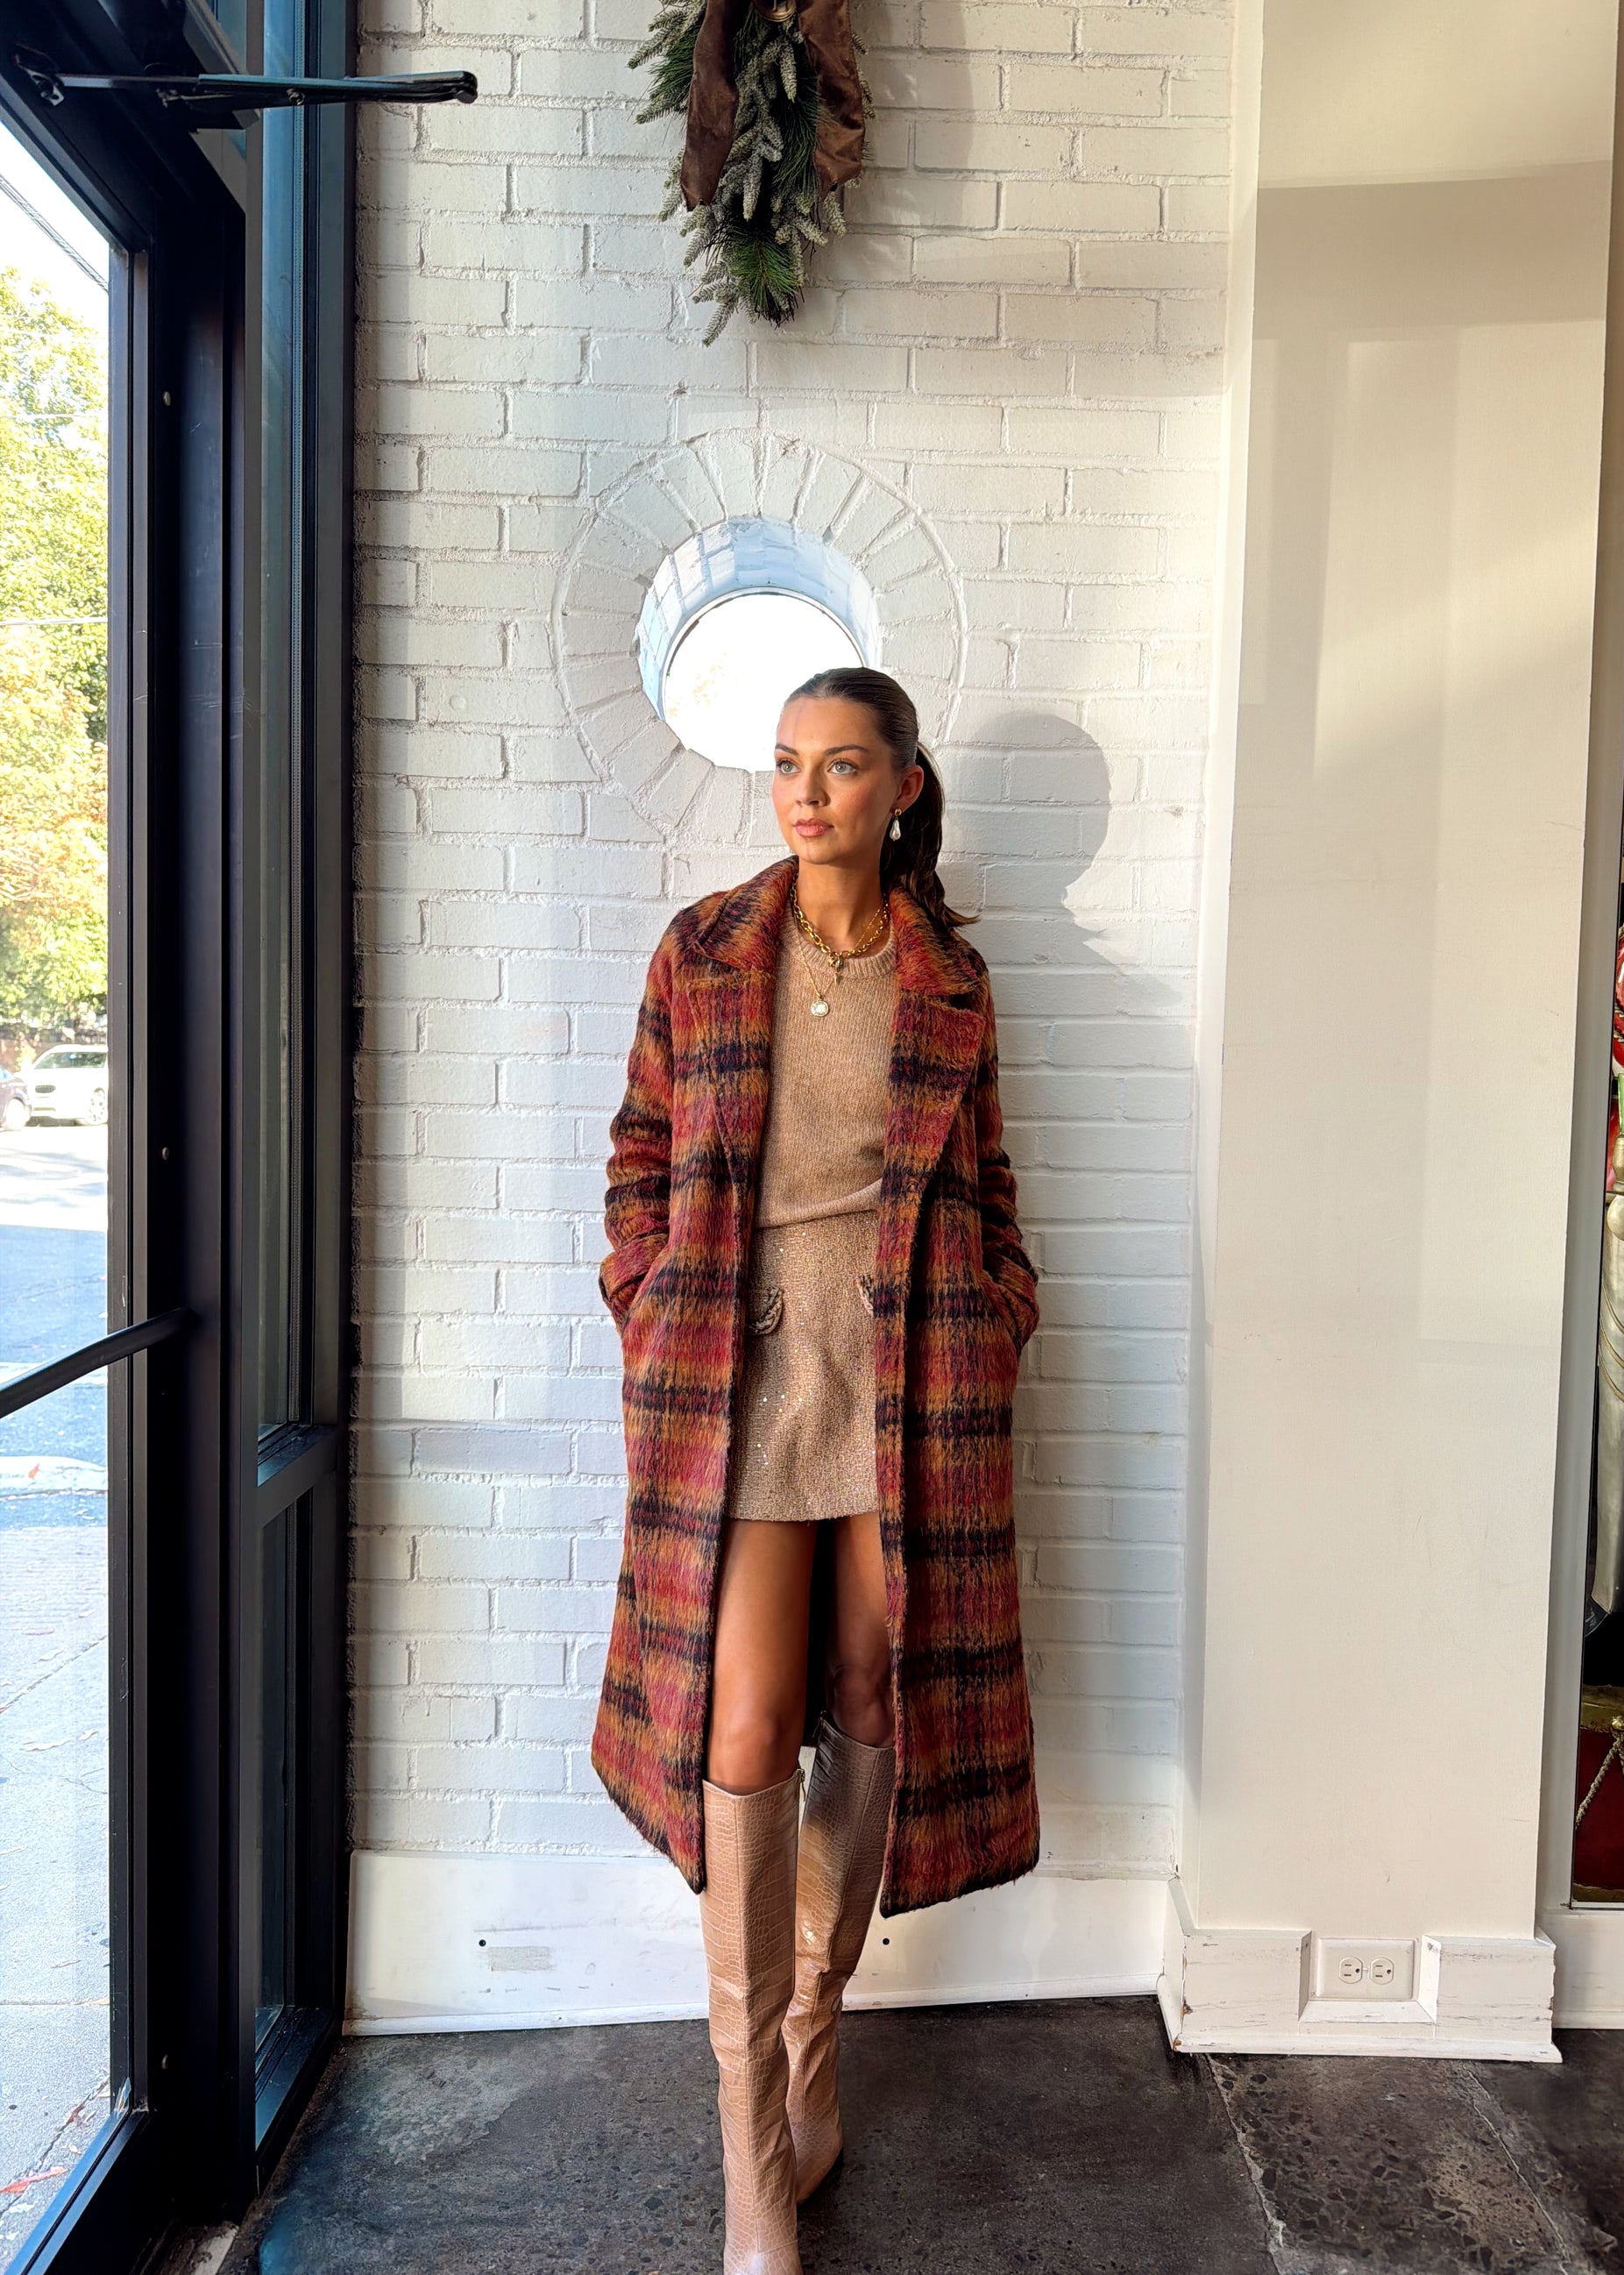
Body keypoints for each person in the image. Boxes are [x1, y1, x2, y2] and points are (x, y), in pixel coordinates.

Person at [592, 665, 1040, 2274]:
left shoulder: (949, 981)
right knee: (744, 1721)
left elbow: (986, 1182)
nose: (804, 792)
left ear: (901, 786)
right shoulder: (705, 950)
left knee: (867, 1691)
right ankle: (749, 2156)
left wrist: (996, 1311)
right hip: (736, 1370)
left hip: (908, 1373)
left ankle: (811, 2053)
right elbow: (639, 1157)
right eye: (787, 763)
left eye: (841, 766)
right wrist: (647, 1295)